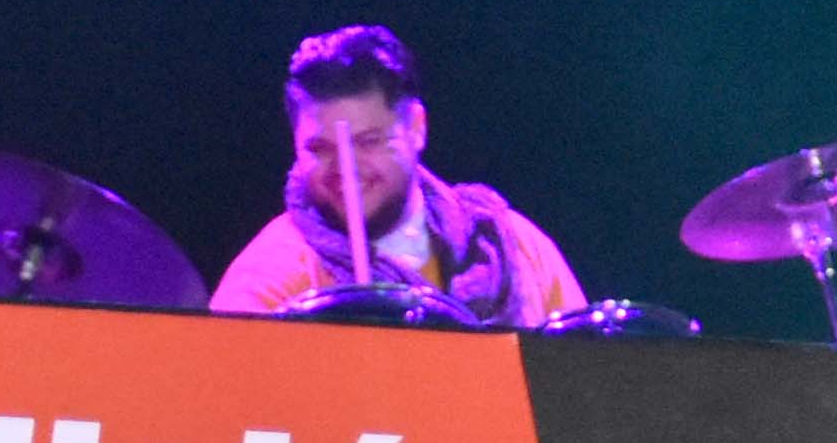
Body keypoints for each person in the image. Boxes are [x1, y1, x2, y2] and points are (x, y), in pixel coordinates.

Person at [206, 25, 587, 327]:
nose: (346, 169)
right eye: (320, 149)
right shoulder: (268, 279)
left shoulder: (511, 246)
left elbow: (579, 377)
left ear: (416, 127)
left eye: (368, 142)